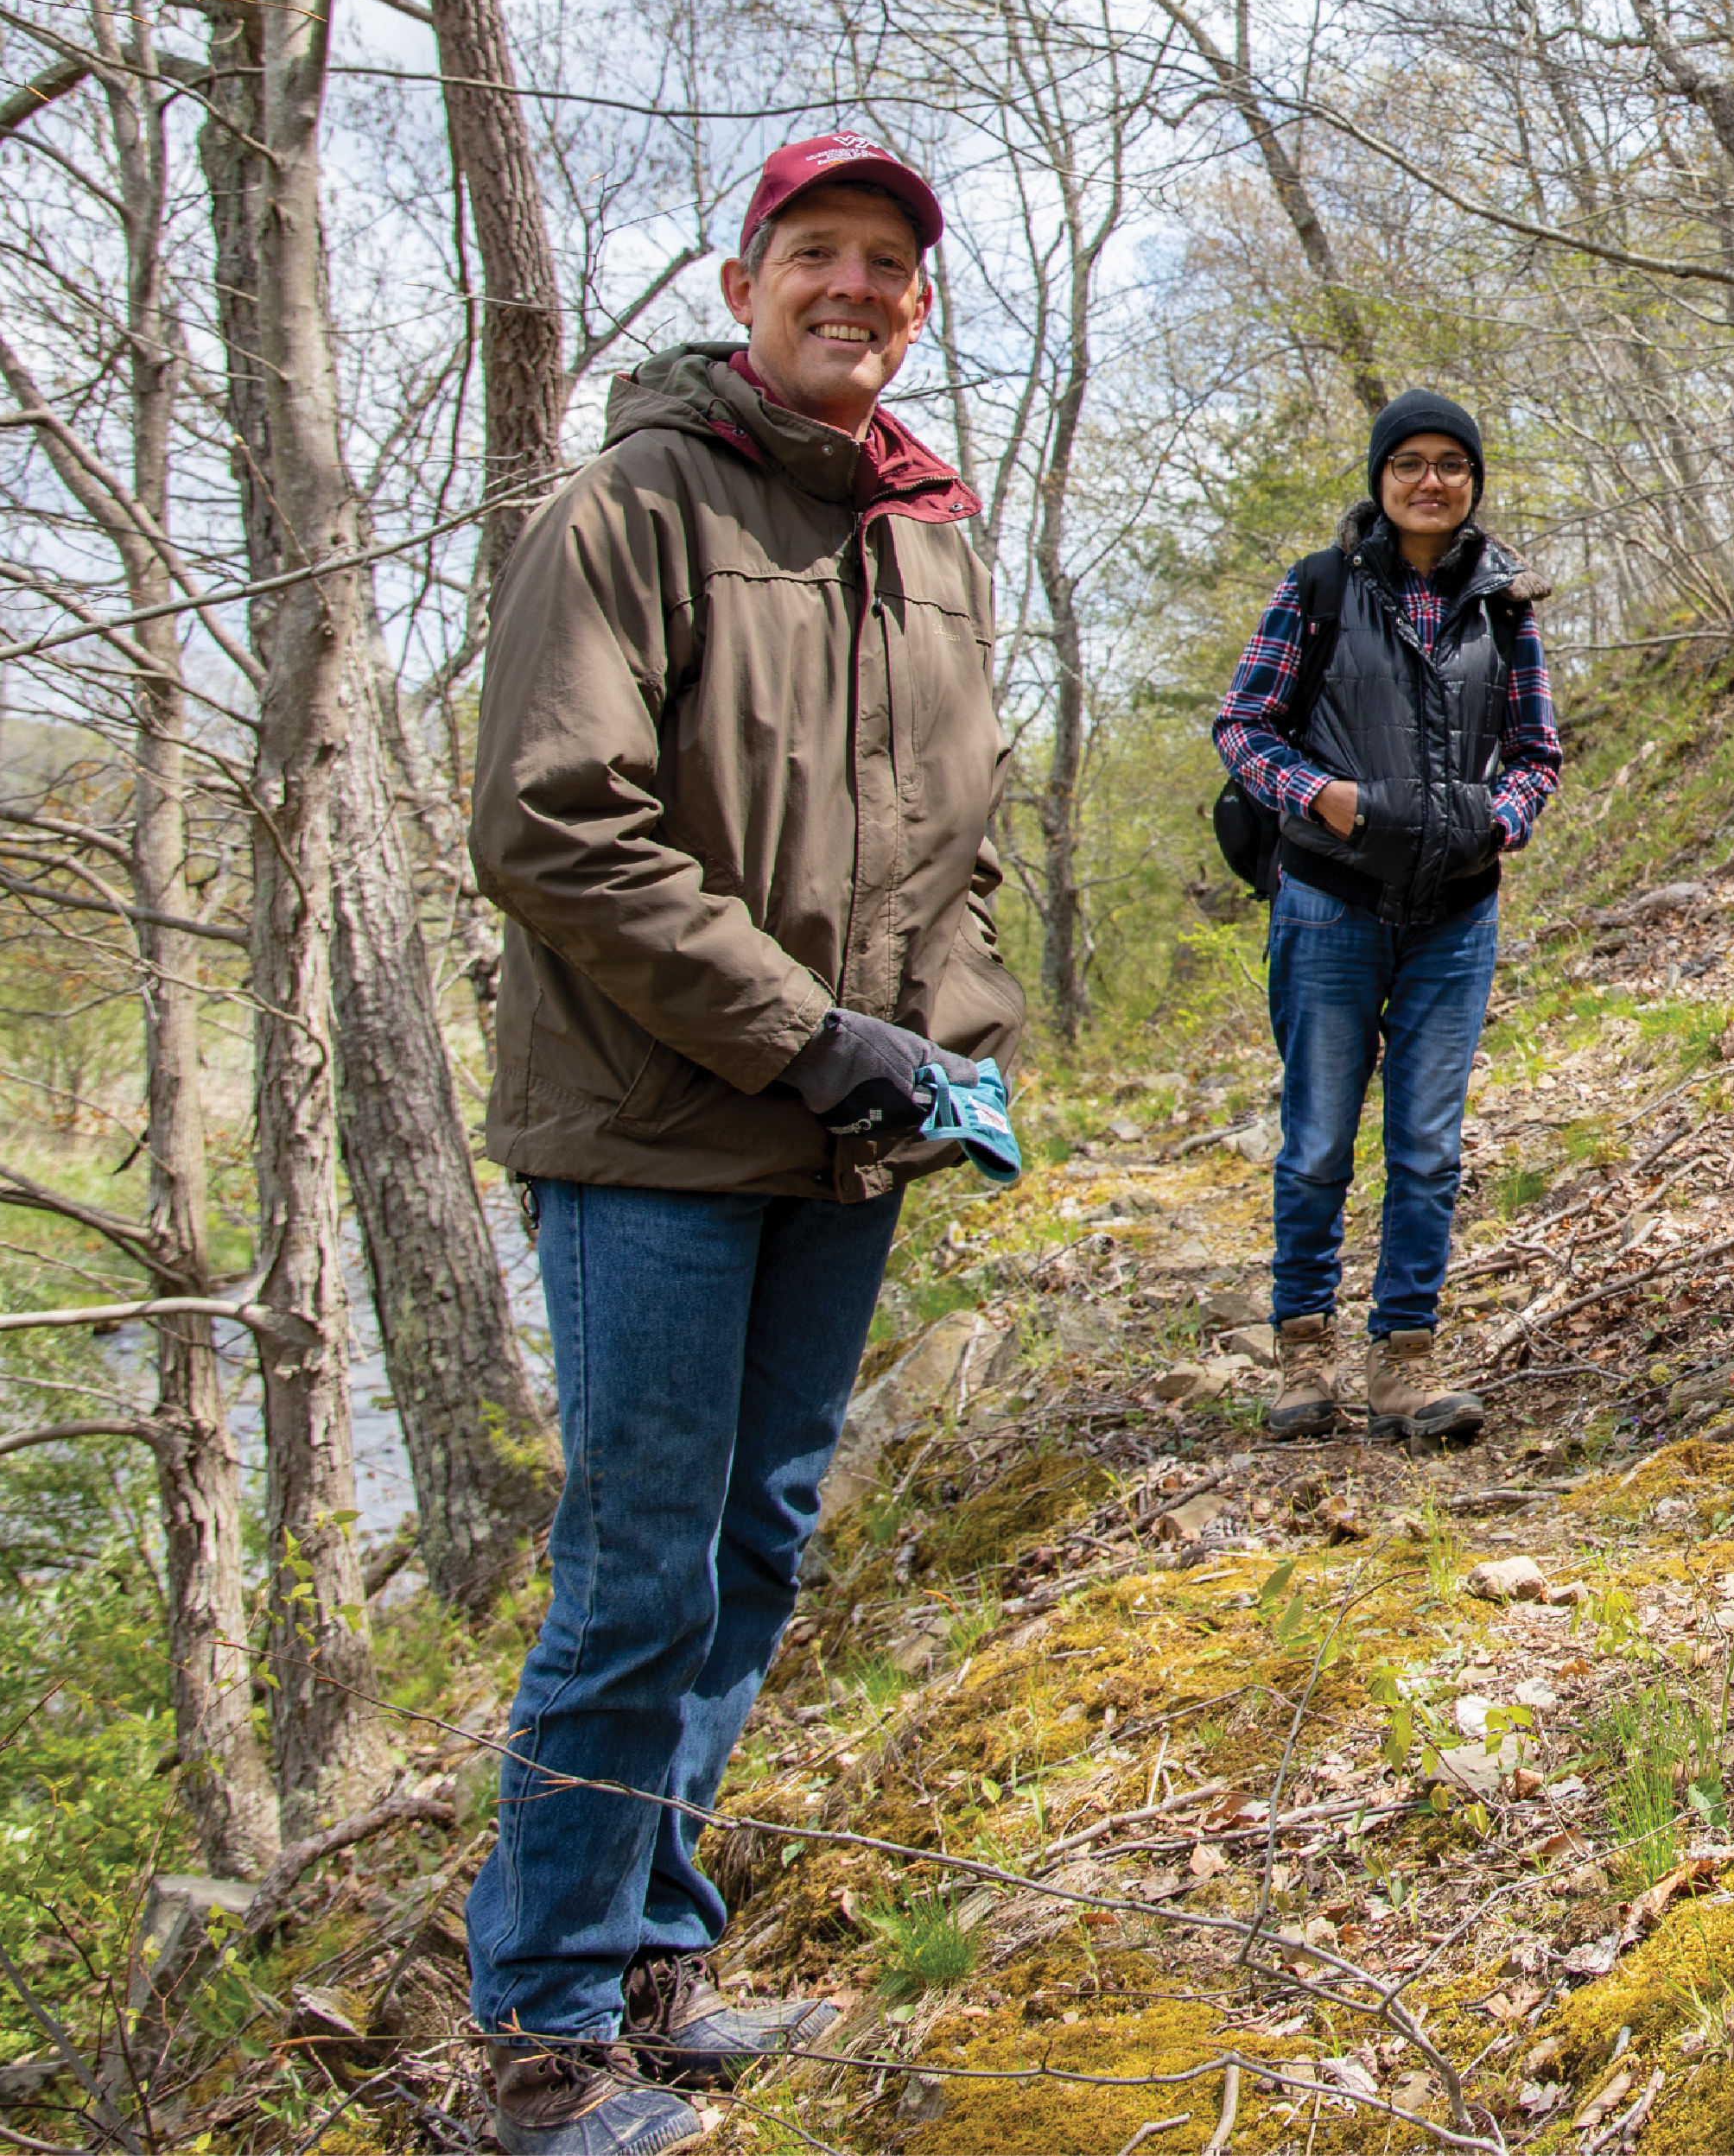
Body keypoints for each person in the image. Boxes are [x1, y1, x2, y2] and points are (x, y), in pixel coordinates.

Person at [464, 133, 1022, 2154]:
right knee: (632, 1564)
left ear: (920, 301)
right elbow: (547, 820)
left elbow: (966, 838)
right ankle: (537, 2034)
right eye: (817, 253)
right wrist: (808, 1033)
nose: (852, 286)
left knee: (753, 1548)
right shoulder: (626, 506)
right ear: (744, 276)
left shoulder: (931, 537)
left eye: (888, 262)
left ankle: (646, 1951)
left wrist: (951, 1038)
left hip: (840, 1143)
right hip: (653, 1134)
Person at [1210, 390, 1564, 1443]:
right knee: (1317, 1139)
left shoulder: (1504, 607)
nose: (1429, 481)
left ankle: (1403, 1360)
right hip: (1331, 900)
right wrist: (1318, 796)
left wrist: (1492, 822)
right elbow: (1242, 724)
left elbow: (1537, 755)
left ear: (1473, 482)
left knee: (1426, 1147)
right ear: (1379, 478)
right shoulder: (1319, 587)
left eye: (1451, 464)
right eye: (1407, 462)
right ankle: (1303, 1354)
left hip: (1455, 911)